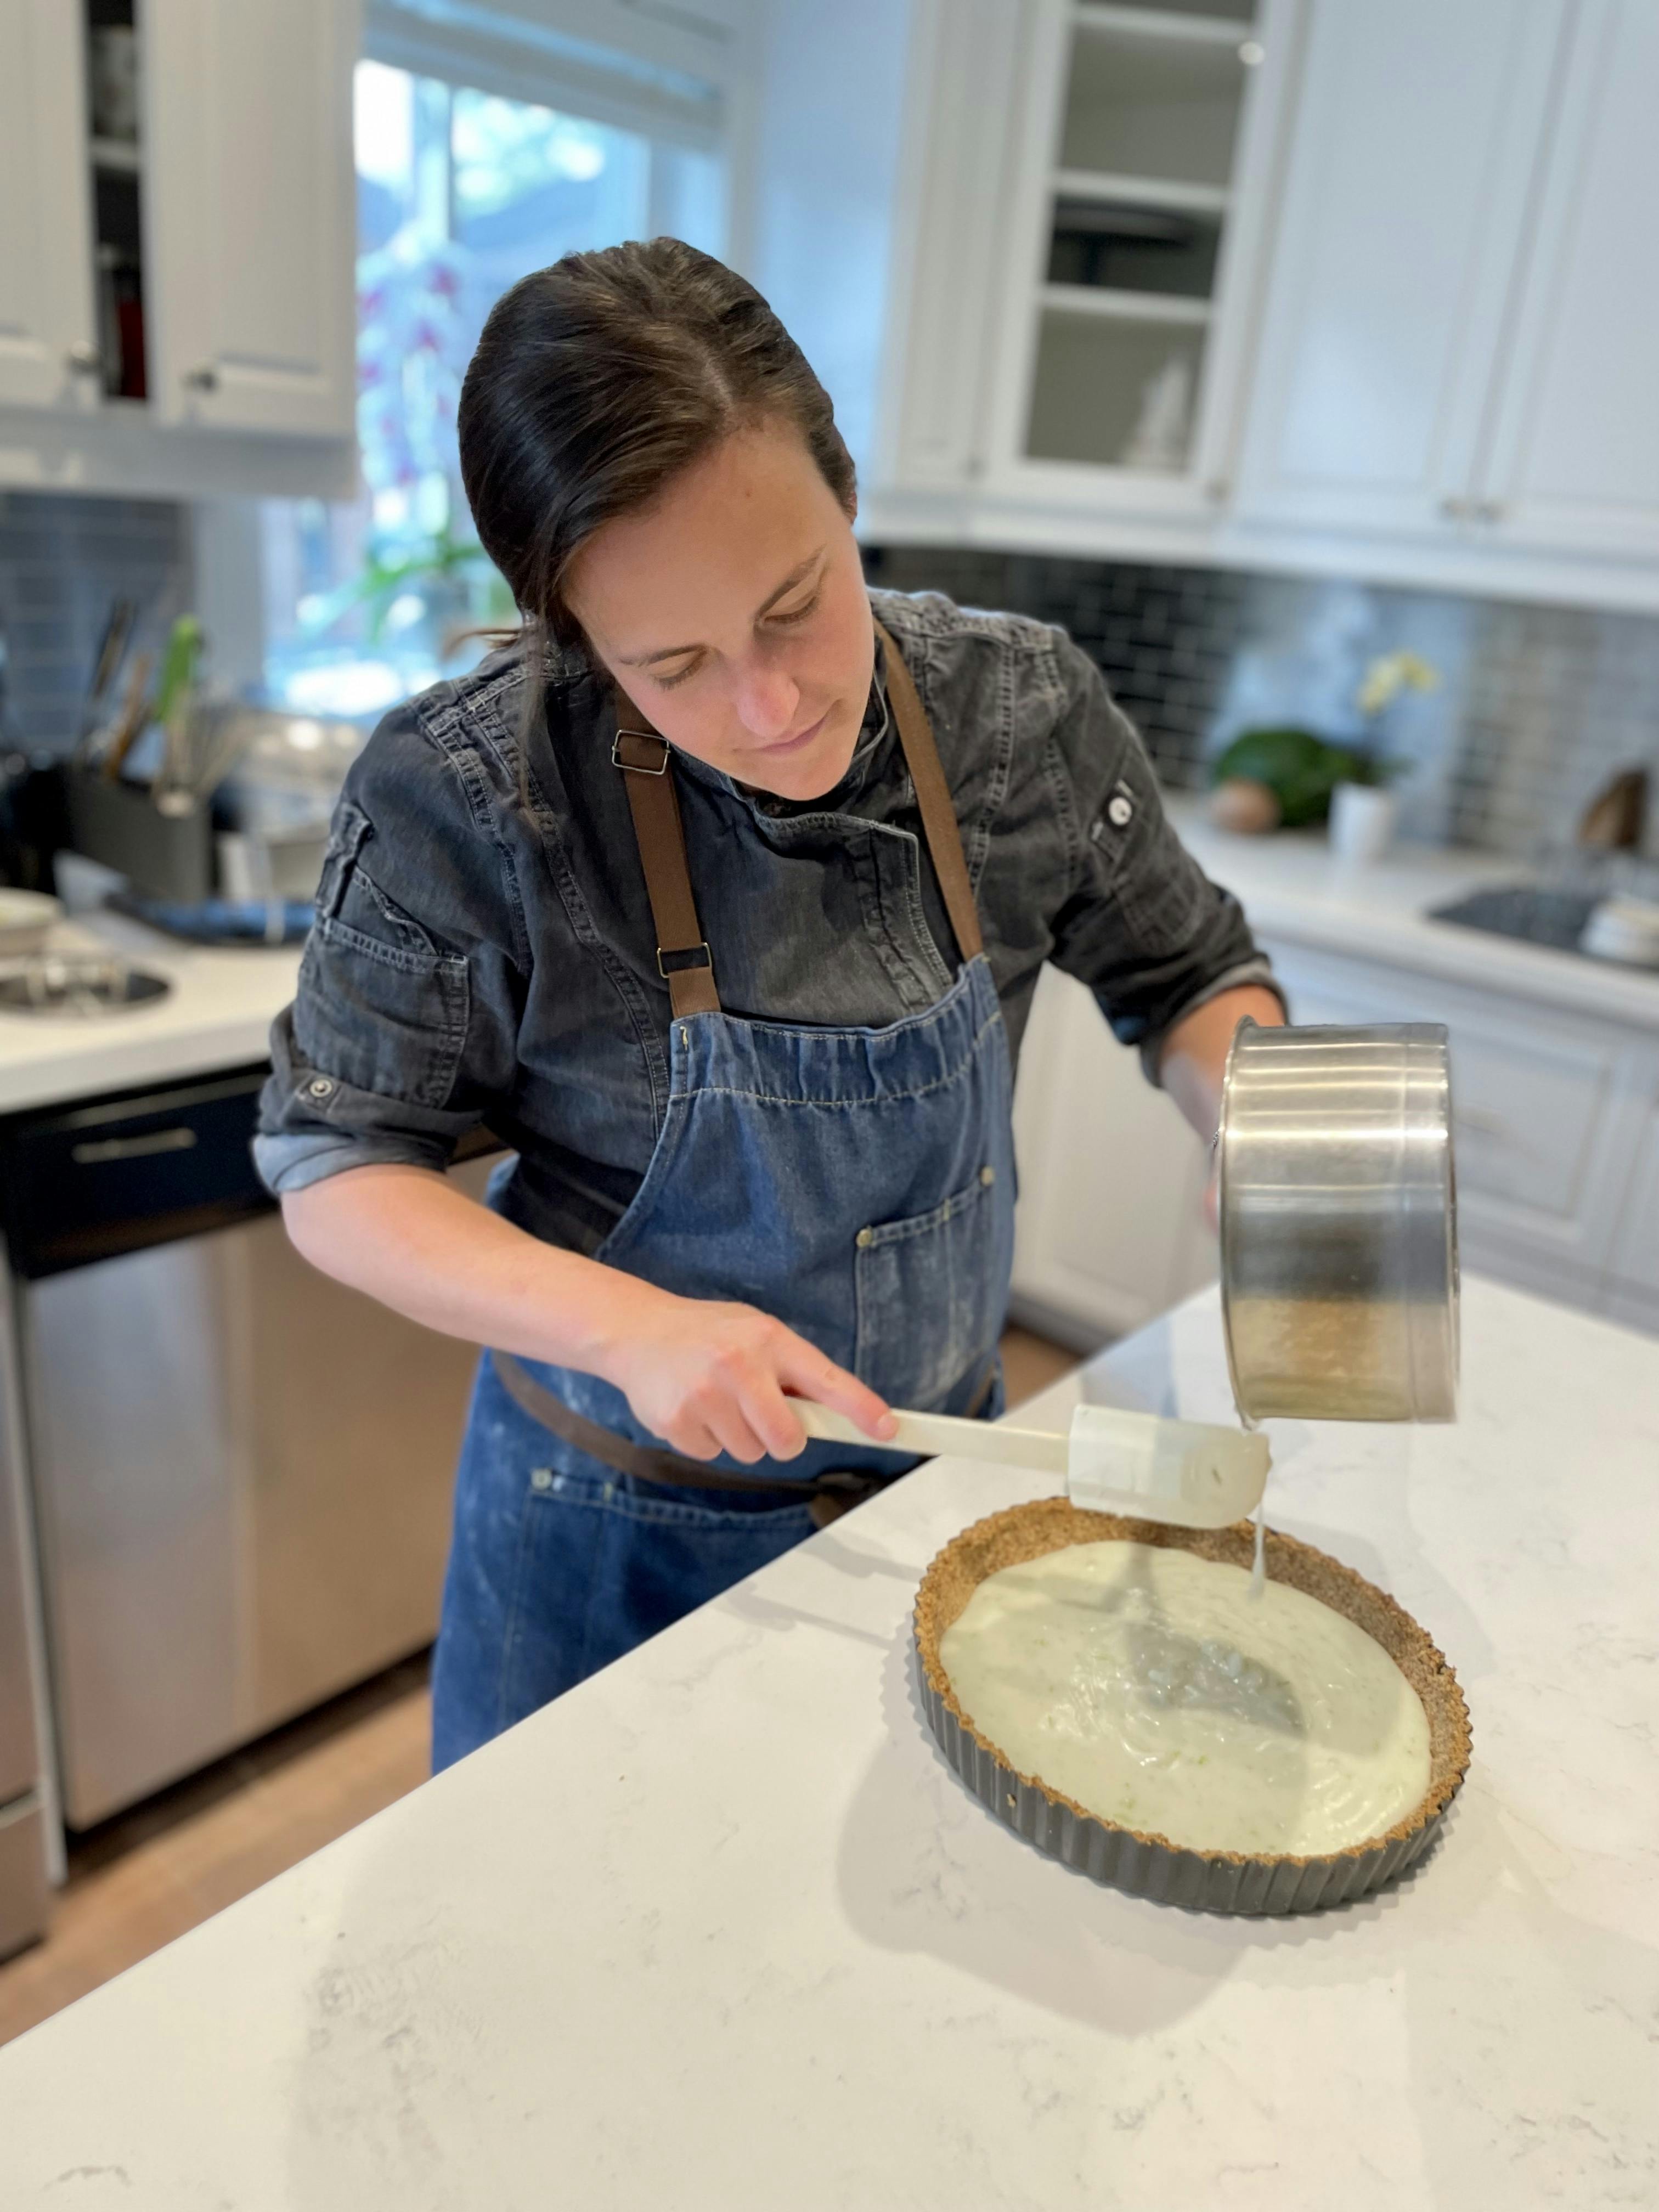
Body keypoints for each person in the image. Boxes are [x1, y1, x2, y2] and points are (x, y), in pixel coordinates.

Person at [255, 239, 1284, 1770]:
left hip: (939, 1498)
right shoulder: (468, 797)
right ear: (572, 638)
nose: (771, 704)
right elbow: (337, 1167)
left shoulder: (1019, 713)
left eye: (800, 603)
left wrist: (1257, 1120)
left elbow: (1192, 973)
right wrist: (630, 1326)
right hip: (603, 1537)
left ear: (847, 494)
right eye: (672, 664)